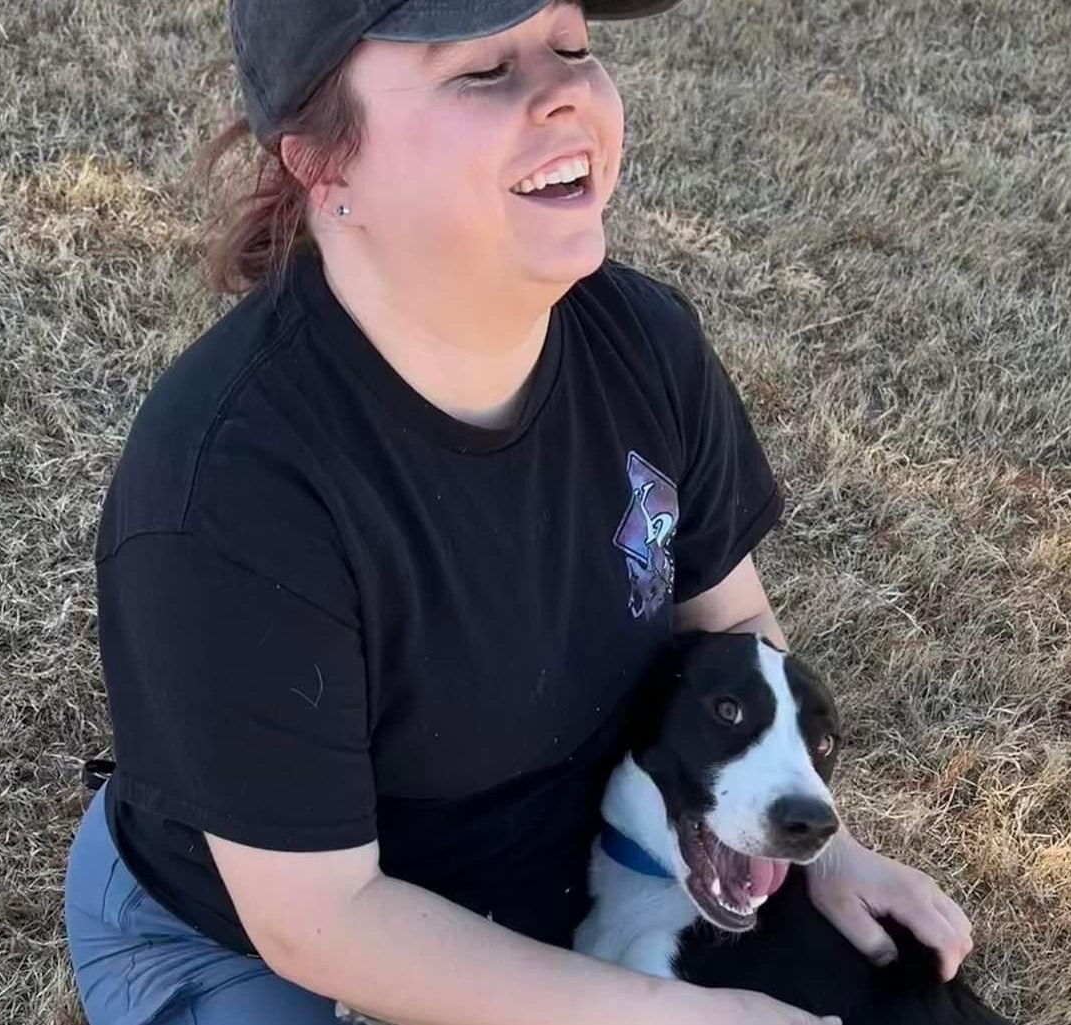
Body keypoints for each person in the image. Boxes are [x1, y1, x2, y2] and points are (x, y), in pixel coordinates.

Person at [62, 1, 976, 1023]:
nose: (569, 92)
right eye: (485, 69)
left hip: (550, 874)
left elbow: (726, 629)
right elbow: (319, 915)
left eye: (575, 46)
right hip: (258, 929)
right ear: (324, 158)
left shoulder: (643, 344)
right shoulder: (236, 484)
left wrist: (815, 845)